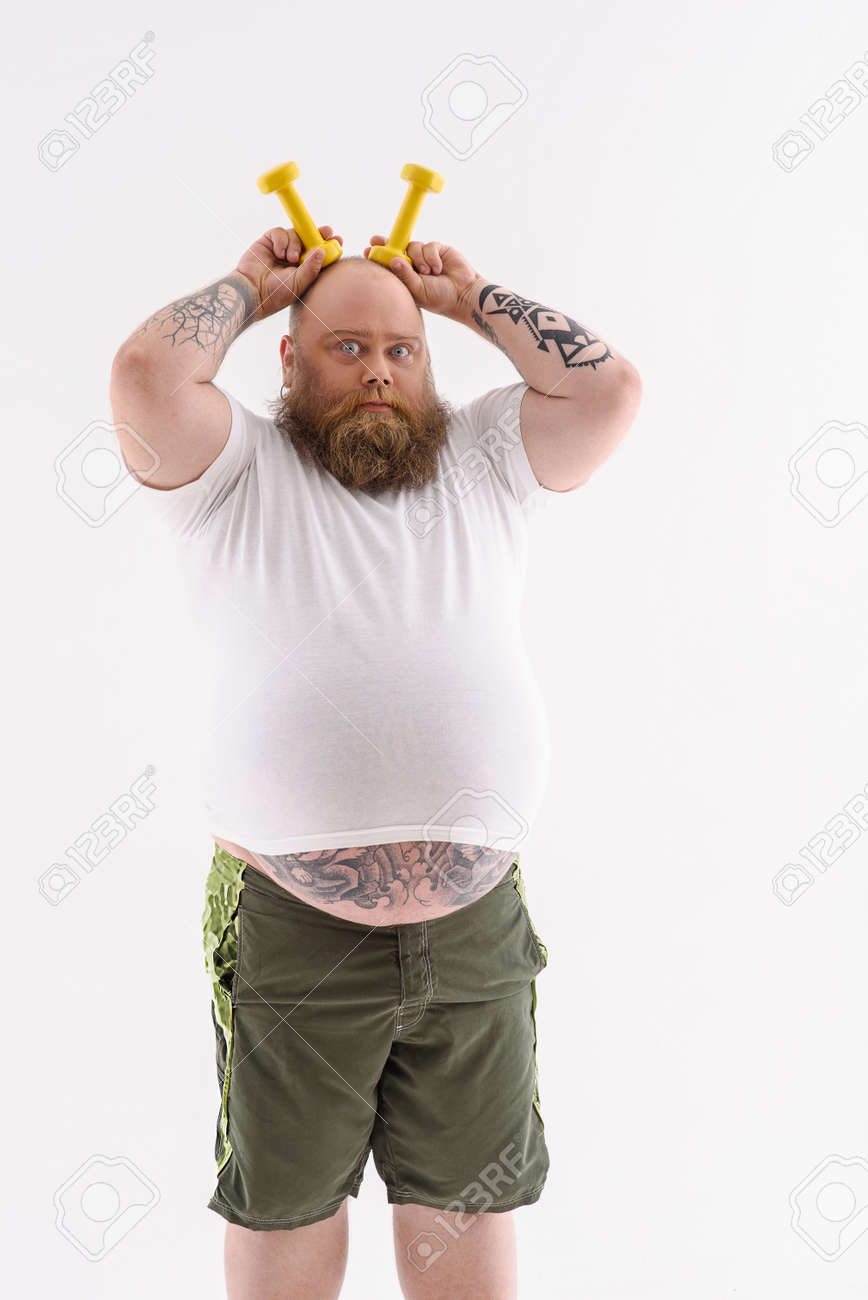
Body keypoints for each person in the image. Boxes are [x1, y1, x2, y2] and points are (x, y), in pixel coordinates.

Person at [109, 220, 642, 1299]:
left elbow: (610, 393)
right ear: (288, 359)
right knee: (286, 1205)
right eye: (346, 347)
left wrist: (470, 296)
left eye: (401, 351)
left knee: (465, 1206)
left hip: (475, 929)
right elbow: (145, 375)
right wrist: (254, 285)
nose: (378, 372)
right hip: (293, 933)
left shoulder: (487, 455)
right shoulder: (236, 470)